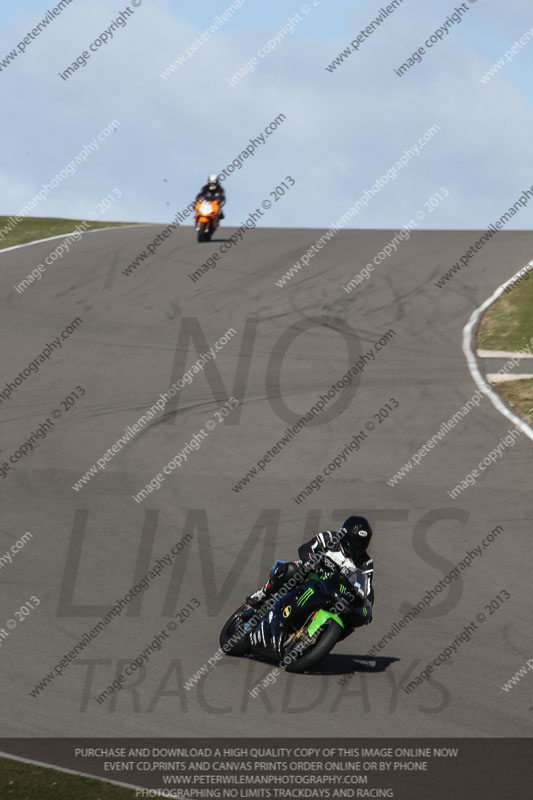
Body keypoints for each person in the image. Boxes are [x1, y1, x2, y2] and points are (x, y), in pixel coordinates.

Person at [247, 515, 374, 624]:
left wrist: (368, 609)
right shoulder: (330, 538)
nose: (358, 546)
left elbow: (367, 589)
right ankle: (262, 594)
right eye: (356, 541)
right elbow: (306, 549)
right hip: (312, 573)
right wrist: (312, 563)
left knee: (348, 616)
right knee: (290, 570)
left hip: (332, 590)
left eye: (362, 543)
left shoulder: (366, 563)